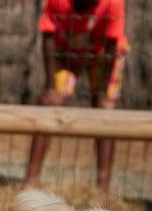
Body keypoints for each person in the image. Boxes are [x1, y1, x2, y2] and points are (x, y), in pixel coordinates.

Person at [25, 0, 129, 192]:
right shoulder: (57, 2)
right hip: (66, 55)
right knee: (49, 105)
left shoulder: (113, 3)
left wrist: (102, 93)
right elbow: (48, 36)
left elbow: (111, 45)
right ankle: (30, 183)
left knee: (106, 110)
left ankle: (102, 190)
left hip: (103, 54)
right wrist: (50, 87)